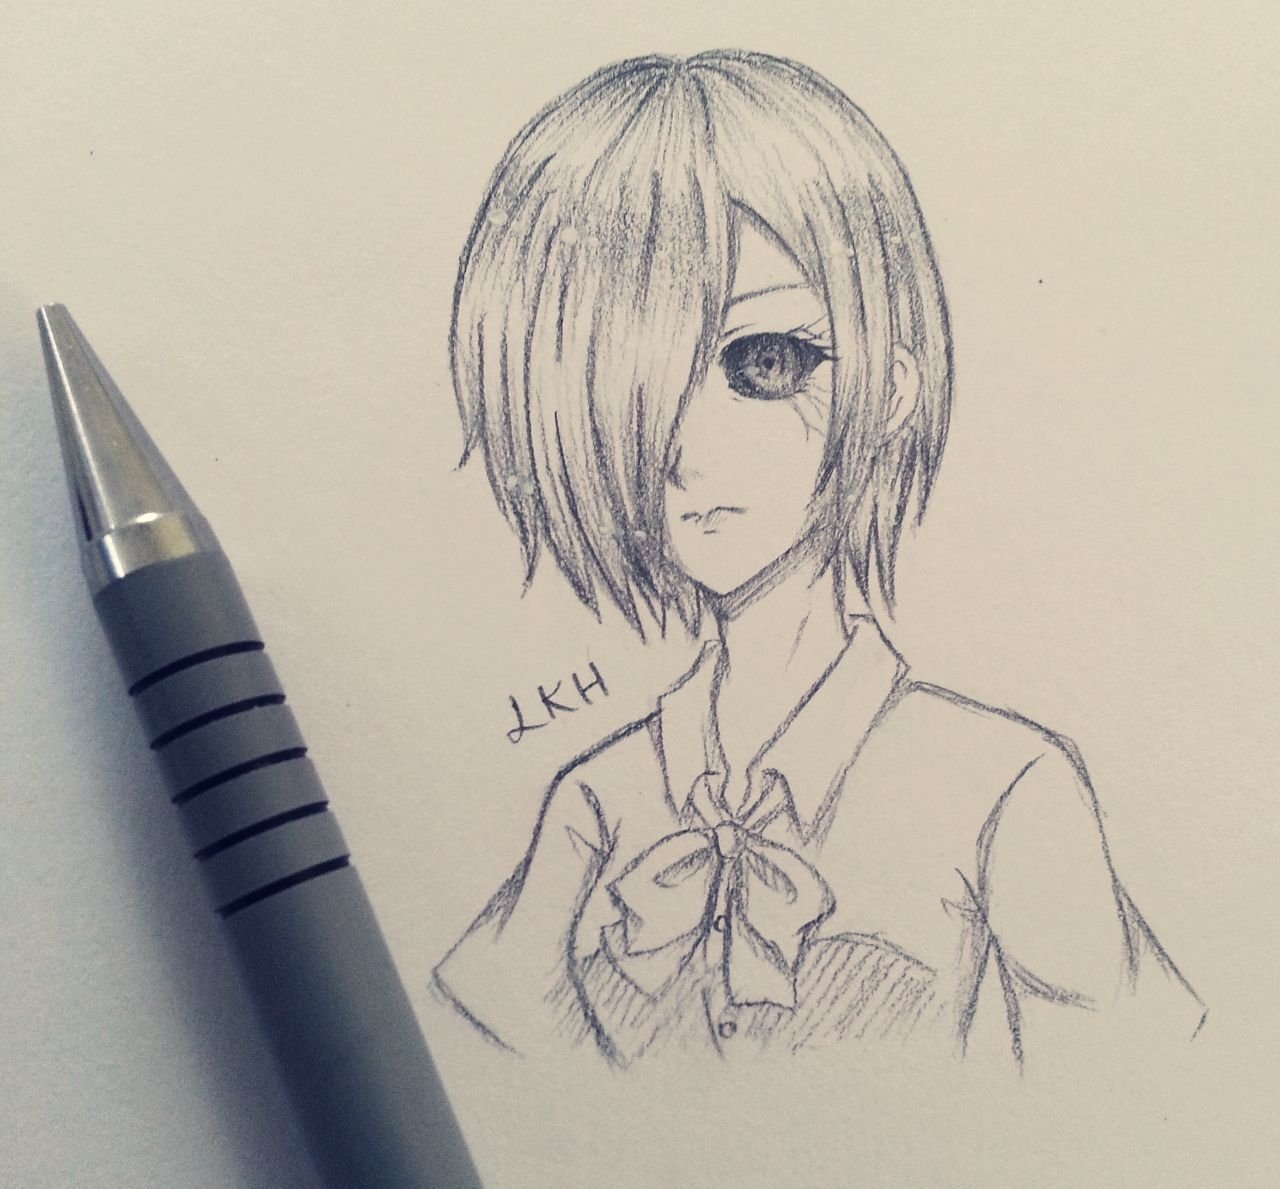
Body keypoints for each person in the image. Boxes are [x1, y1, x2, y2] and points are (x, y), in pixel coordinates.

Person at [433, 50, 1203, 1067]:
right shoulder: (598, 801)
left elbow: (1145, 1087)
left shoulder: (1003, 785)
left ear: (889, 389)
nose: (682, 445)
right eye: (622, 387)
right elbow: (489, 1075)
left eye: (762, 362)